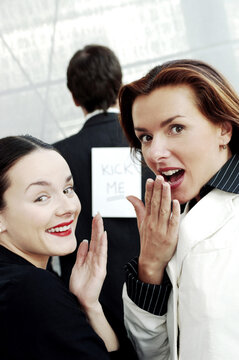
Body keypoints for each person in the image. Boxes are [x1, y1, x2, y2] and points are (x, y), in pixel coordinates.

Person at [118, 59, 239, 359]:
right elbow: (157, 352)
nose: (155, 153)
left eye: (176, 128)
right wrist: (150, 265)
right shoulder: (179, 214)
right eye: (145, 137)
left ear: (224, 129)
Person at [54, 44, 151, 358]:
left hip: (86, 298)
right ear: (120, 86)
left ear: (74, 97)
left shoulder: (55, 158)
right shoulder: (148, 145)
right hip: (154, 292)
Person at [0, 134, 122, 359]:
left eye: (68, 189)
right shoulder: (31, 288)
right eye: (41, 197)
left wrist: (89, 305)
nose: (68, 207)